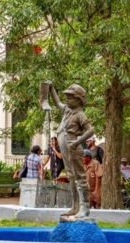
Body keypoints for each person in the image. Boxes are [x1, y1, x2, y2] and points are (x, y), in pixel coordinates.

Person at [41, 81, 95, 219]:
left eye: (70, 97)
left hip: (73, 147)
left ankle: (84, 207)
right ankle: (75, 206)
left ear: (78, 100)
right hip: (65, 147)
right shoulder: (67, 110)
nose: (67, 99)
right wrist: (52, 88)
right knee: (71, 176)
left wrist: (77, 142)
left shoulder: (79, 114)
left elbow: (91, 130)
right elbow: (57, 102)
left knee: (80, 177)